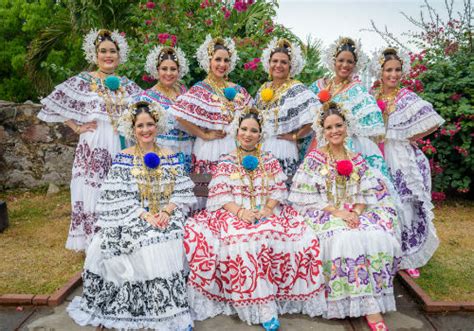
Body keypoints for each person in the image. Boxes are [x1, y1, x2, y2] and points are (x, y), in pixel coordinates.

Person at [185, 108, 326, 330]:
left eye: (253, 130)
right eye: (244, 129)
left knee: (299, 238)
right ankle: (263, 308)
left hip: (267, 212)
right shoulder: (226, 161)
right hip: (233, 213)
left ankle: (271, 302)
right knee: (245, 238)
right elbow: (221, 195)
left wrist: (268, 210)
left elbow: (278, 189)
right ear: (236, 131)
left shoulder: (269, 160)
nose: (248, 134)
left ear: (261, 134)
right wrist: (241, 213)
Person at [67, 101, 197, 330]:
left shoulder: (171, 156)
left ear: (157, 126)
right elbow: (116, 194)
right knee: (122, 242)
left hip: (168, 214)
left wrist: (167, 211)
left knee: (163, 240)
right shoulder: (123, 158)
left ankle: (172, 313)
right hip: (132, 215)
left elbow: (182, 190)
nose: (146, 130)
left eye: (150, 124)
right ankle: (140, 307)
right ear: (133, 128)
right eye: (140, 126)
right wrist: (144, 216)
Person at [289, 102, 402, 331]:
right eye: (328, 128)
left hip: (355, 212)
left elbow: (368, 191)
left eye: (338, 125)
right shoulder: (314, 159)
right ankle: (370, 308)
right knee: (345, 240)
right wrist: (338, 212)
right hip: (324, 213)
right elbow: (304, 196)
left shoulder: (357, 158)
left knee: (377, 237)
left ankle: (369, 301)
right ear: (322, 131)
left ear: (346, 127)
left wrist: (357, 212)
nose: (334, 131)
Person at [38, 29, 142, 251]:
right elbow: (54, 103)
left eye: (112, 51)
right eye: (103, 51)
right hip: (94, 143)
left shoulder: (128, 84)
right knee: (93, 189)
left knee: (120, 189)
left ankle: (117, 238)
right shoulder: (85, 80)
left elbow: (144, 110)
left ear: (119, 55)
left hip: (121, 144)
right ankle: (92, 243)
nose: (108, 55)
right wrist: (76, 126)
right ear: (95, 55)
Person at [371, 47, 445, 278]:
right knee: (381, 203)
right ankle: (385, 252)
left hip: (399, 155)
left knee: (405, 203)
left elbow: (433, 120)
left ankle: (408, 257)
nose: (393, 75)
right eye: (388, 70)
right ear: (380, 72)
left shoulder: (407, 97)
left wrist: (411, 136)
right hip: (377, 153)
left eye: (397, 70)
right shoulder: (373, 96)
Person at [171, 34, 253, 175]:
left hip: (236, 148)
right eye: (218, 60)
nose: (222, 65)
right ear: (209, 61)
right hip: (210, 148)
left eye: (226, 60)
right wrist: (204, 134)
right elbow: (179, 116)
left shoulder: (238, 89)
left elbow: (252, 118)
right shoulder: (201, 89)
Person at [308, 37, 386, 176]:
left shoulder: (358, 90)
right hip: (316, 143)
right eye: (341, 60)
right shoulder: (318, 86)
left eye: (350, 61)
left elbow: (367, 125)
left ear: (355, 64)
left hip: (344, 145)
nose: (345, 65)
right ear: (334, 61)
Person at [254, 38, 318, 176]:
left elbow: (317, 115)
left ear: (290, 66)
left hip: (283, 147)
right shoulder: (263, 88)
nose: (278, 65)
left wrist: (295, 136)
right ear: (268, 63)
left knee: (280, 190)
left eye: (283, 62)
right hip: (260, 146)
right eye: (275, 61)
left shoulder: (296, 88)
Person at [141, 45, 194, 173]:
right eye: (164, 69)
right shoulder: (147, 98)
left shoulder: (184, 93)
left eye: (173, 69)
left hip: (186, 153)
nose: (169, 73)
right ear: (157, 70)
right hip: (161, 155)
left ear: (179, 71)